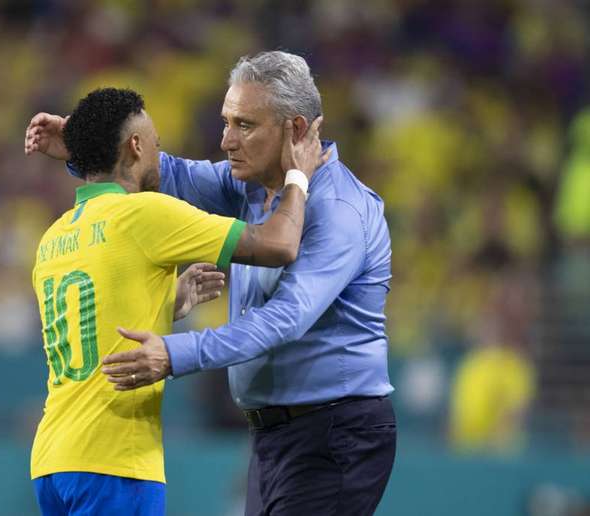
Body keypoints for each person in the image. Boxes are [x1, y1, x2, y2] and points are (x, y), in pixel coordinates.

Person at [25, 51, 395, 515]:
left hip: (334, 430)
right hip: (272, 436)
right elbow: (163, 174)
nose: (225, 141)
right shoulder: (248, 186)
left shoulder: (338, 210)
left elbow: (285, 319)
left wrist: (175, 353)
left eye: (244, 125)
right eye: (225, 122)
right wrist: (89, 149)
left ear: (296, 130)